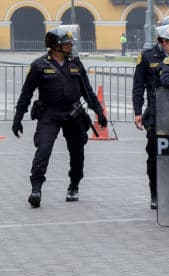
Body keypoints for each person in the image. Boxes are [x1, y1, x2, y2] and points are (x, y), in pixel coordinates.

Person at [11, 26, 108, 207]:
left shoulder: (76, 63)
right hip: (50, 113)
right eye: (67, 43)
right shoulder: (39, 65)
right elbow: (26, 94)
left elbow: (87, 91)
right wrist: (17, 118)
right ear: (55, 46)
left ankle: (74, 185)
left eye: (70, 43)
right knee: (43, 149)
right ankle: (36, 188)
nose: (71, 46)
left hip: (74, 113)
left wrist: (99, 112)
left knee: (77, 152)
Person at [133, 23, 169, 209]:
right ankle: (155, 193)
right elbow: (138, 86)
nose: (167, 44)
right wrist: (137, 112)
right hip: (156, 113)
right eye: (164, 41)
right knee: (154, 156)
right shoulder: (147, 56)